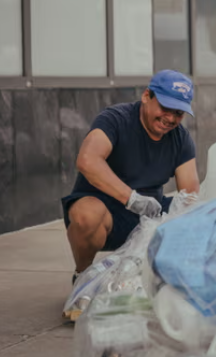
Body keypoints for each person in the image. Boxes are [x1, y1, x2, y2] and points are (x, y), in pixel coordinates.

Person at [63, 70, 199, 283]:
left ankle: (155, 280)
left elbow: (189, 194)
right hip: (107, 213)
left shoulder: (180, 139)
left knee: (202, 217)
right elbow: (88, 160)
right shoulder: (115, 120)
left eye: (178, 113)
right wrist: (132, 199)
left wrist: (179, 219)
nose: (170, 119)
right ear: (147, 96)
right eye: (165, 108)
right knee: (86, 215)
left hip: (149, 215)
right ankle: (83, 277)